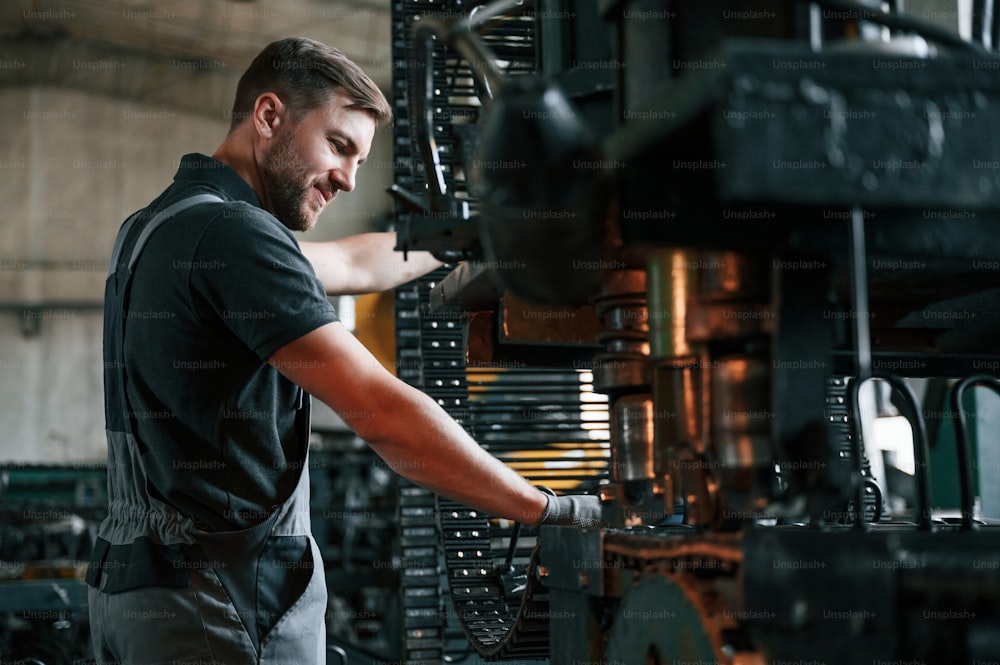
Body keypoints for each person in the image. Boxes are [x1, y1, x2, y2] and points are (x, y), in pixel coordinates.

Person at [86, 37, 603, 665]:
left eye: (361, 158)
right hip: (219, 609)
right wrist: (550, 509)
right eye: (338, 146)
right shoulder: (237, 234)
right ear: (269, 116)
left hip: (136, 593)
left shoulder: (159, 226)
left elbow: (349, 262)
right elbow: (381, 412)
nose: (350, 179)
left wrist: (472, 236)